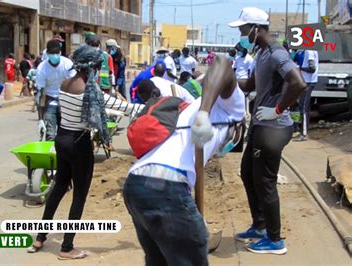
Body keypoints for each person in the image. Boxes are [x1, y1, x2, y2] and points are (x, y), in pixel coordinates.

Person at [124, 55, 246, 266]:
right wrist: (205, 114)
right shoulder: (234, 107)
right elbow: (222, 63)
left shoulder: (187, 108)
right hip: (166, 187)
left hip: (136, 184)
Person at [27, 45, 143, 259]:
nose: (99, 71)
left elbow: (91, 108)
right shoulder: (90, 91)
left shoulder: (65, 84)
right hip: (80, 144)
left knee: (59, 187)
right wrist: (150, 106)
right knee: (79, 196)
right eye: (98, 67)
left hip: (61, 139)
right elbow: (124, 107)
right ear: (92, 67)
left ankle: (40, 237)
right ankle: (67, 247)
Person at [229, 7, 307, 254]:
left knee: (265, 181)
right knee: (247, 172)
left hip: (273, 127)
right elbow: (250, 84)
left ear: (255, 28)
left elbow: (299, 83)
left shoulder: (276, 53)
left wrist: (278, 109)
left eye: (243, 30)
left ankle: (275, 240)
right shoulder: (261, 53)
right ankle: (259, 226)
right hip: (260, 125)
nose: (242, 35)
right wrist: (226, 80)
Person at [36, 40, 77, 141]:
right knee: (51, 134)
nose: (54, 55)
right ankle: (51, 156)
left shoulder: (67, 64)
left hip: (66, 99)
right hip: (51, 101)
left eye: (56, 53)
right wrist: (40, 119)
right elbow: (40, 94)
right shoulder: (42, 68)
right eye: (51, 53)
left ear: (60, 53)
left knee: (66, 132)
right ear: (47, 53)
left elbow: (74, 83)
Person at [295, 50, 318, 141]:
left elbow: (312, 68)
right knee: (305, 107)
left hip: (308, 81)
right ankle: (303, 131)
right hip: (308, 81)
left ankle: (303, 134)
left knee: (303, 107)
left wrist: (300, 68)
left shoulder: (309, 52)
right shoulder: (309, 51)